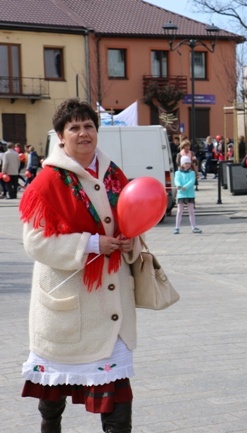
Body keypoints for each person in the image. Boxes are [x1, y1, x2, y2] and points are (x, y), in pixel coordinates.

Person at [18, 97, 143, 432]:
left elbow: (132, 220)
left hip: (110, 303)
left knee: (118, 402)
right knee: (52, 401)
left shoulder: (115, 175)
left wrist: (131, 241)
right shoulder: (47, 182)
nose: (83, 132)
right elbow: (35, 242)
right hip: (69, 307)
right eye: (74, 127)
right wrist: (91, 244)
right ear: (60, 136)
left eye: (89, 126)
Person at [174, 155, 202, 234]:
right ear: (182, 164)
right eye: (186, 163)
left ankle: (194, 227)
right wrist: (179, 185)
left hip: (190, 194)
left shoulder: (192, 173)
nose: (187, 165)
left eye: (188, 163)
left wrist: (185, 187)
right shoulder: (178, 173)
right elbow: (177, 180)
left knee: (191, 211)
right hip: (181, 194)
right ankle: (177, 227)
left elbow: (192, 181)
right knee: (179, 211)